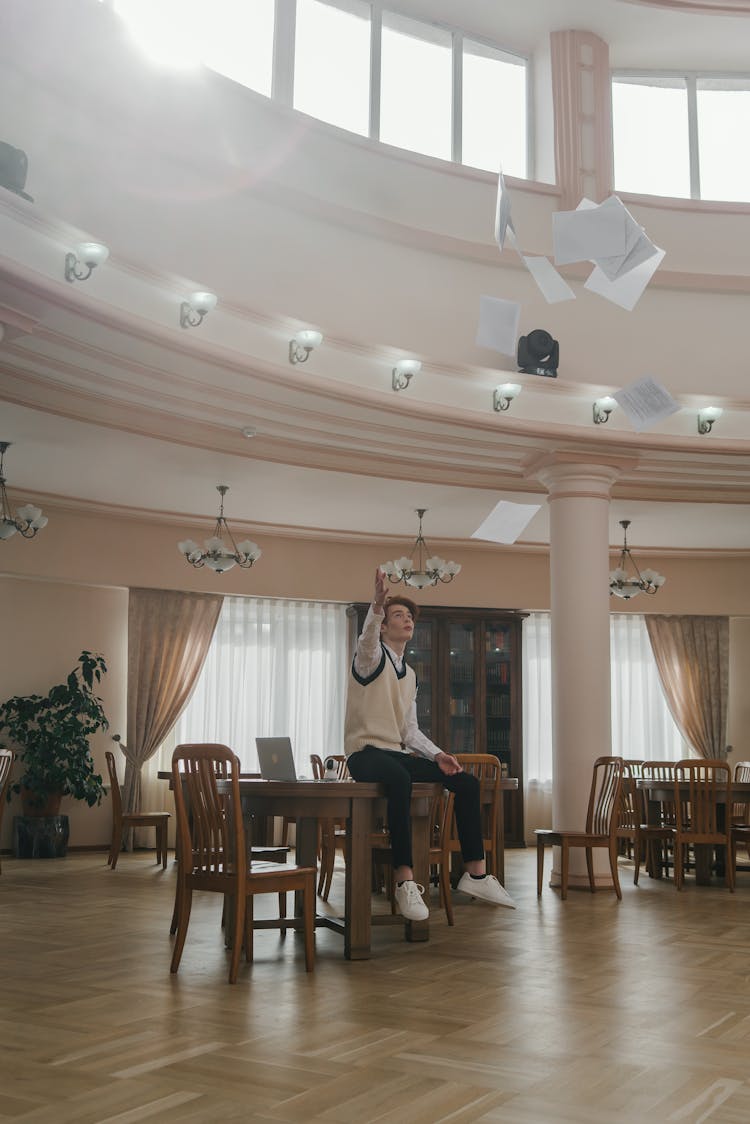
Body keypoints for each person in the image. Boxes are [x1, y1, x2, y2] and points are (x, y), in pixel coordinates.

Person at [344, 568, 516, 921]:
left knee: (465, 782)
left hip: (395, 752)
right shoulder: (370, 659)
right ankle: (405, 880)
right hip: (365, 755)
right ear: (384, 625)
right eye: (398, 615)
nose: (406, 620)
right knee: (401, 780)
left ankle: (475, 873)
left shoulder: (411, 674)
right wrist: (377, 605)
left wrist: (438, 755)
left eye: (409, 616)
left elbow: (409, 731)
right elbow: (365, 641)